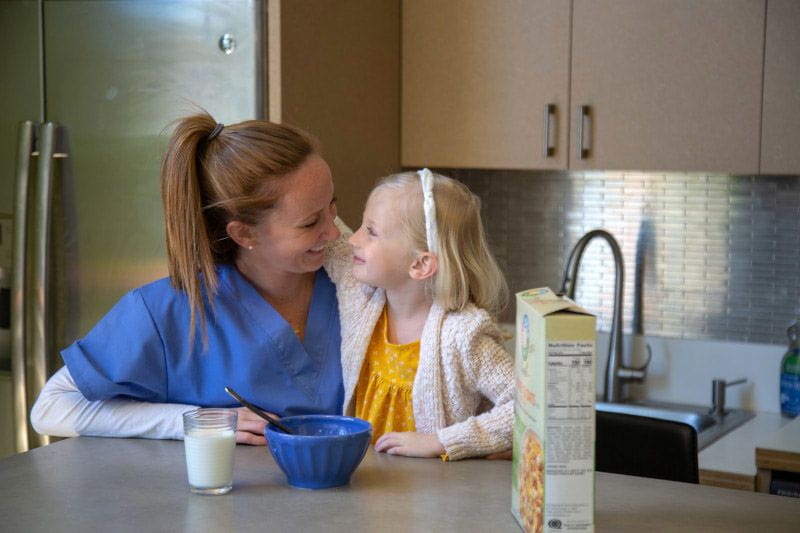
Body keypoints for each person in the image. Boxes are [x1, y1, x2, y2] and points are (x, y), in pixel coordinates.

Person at [31, 113, 344, 445]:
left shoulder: (358, 285)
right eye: (310, 223)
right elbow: (51, 408)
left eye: (332, 207)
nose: (335, 232)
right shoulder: (168, 310)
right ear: (244, 233)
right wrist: (194, 421)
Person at [323, 169, 514, 461]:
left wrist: (442, 441)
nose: (353, 239)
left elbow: (530, 406)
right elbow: (327, 232)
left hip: (435, 498)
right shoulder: (361, 295)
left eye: (371, 231)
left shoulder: (464, 335)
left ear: (421, 264)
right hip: (364, 490)